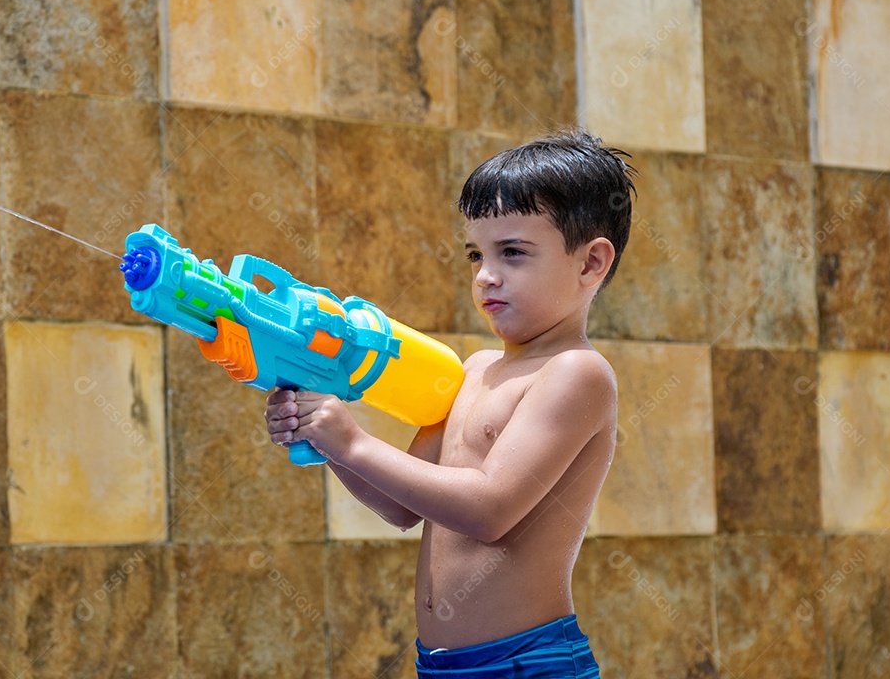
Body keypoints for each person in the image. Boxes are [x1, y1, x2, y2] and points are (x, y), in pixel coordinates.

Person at [264, 128, 636, 678]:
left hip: (527, 664)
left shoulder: (576, 374)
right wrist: (324, 436)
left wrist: (355, 442)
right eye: (475, 254)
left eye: (512, 252)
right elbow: (402, 506)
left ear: (590, 264)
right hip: (441, 666)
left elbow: (487, 511)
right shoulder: (473, 370)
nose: (486, 275)